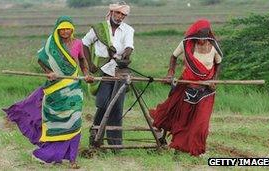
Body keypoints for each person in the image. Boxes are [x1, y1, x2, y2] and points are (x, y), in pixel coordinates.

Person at [3, 16, 93, 168]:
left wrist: (87, 74)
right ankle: (52, 153)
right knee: (57, 123)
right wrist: (49, 71)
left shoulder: (78, 43)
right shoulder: (51, 44)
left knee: (75, 122)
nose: (65, 31)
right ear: (57, 30)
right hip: (55, 89)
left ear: (72, 29)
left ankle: (72, 160)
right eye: (61, 29)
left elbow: (83, 61)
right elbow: (41, 59)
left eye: (67, 28)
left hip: (73, 89)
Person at [150, 19, 222, 156]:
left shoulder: (214, 46)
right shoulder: (187, 44)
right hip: (187, 87)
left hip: (206, 91)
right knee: (182, 120)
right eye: (198, 38)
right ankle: (179, 148)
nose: (200, 41)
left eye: (203, 38)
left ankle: (196, 150)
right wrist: (170, 72)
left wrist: (215, 80)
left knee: (201, 124)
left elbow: (218, 63)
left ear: (208, 35)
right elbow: (173, 56)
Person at [82, 1, 134, 146]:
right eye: (118, 13)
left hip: (120, 72)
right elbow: (84, 44)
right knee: (103, 104)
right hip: (103, 71)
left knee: (117, 108)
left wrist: (124, 54)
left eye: (123, 15)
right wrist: (90, 64)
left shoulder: (128, 30)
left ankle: (115, 144)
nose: (120, 17)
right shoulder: (99, 28)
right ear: (111, 12)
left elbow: (129, 47)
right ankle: (96, 138)